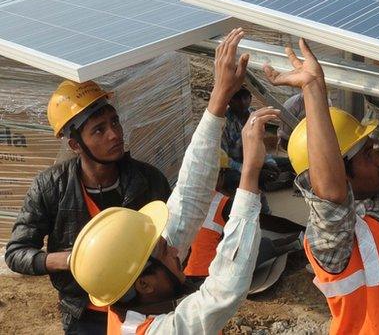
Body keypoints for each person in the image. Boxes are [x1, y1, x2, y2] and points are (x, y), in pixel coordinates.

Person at [67, 28, 275, 333]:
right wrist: (249, 173)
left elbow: (188, 201)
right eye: (166, 250)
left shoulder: (129, 293)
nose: (178, 249)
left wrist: (218, 100)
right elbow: (222, 293)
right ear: (146, 284)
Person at [4, 62, 231, 331]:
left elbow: (175, 239)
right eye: (98, 130)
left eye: (114, 122)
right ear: (75, 144)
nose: (114, 134)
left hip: (142, 309)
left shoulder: (147, 180)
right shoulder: (51, 187)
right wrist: (72, 260)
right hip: (84, 314)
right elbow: (16, 253)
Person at [265, 39, 379, 334]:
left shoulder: (378, 187)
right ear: (342, 173)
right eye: (369, 154)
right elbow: (329, 195)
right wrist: (313, 89)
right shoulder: (333, 239)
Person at [183, 150, 303, 285]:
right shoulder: (221, 203)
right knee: (261, 244)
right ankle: (297, 242)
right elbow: (266, 222)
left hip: (188, 276)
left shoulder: (184, 200)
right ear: (218, 175)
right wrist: (299, 229)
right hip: (213, 277)